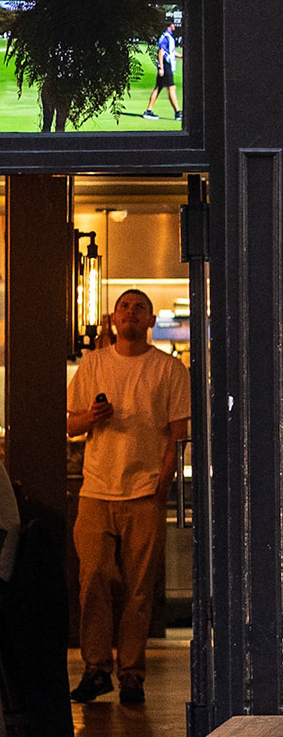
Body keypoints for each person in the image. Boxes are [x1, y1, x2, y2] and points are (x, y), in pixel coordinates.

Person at [66, 289, 191, 706]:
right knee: (93, 580)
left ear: (150, 321)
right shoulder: (94, 363)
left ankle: (132, 674)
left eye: (139, 308)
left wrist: (163, 486)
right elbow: (71, 424)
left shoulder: (169, 369)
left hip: (144, 491)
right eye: (125, 307)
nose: (131, 313)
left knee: (139, 590)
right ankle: (97, 668)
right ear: (114, 318)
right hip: (96, 490)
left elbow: (178, 435)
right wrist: (91, 417)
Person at [142, 21, 181, 120]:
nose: (174, 26)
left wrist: (181, 56)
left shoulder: (169, 37)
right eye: (173, 24)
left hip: (167, 65)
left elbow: (171, 52)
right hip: (165, 65)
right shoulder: (165, 37)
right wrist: (161, 67)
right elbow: (161, 51)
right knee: (171, 88)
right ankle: (177, 113)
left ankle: (148, 111)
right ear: (170, 26)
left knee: (158, 88)